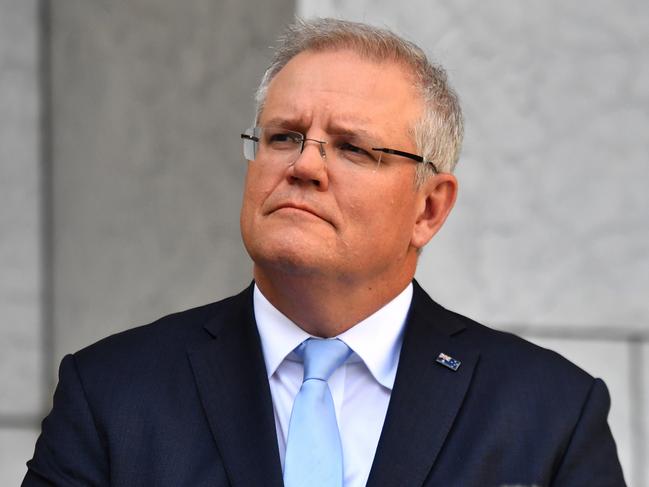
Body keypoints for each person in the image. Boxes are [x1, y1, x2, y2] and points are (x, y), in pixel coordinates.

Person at [23, 18, 625, 487]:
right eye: (283, 136)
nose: (304, 165)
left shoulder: (549, 413)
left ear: (429, 209)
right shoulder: (114, 393)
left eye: (354, 148)